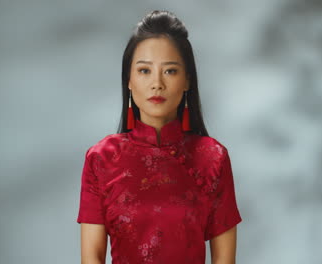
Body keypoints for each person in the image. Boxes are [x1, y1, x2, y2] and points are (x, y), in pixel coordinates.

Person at [76, 10, 242, 264]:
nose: (157, 83)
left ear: (187, 80)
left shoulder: (212, 158)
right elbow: (91, 259)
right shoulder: (101, 159)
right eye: (144, 71)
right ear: (129, 80)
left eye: (170, 71)